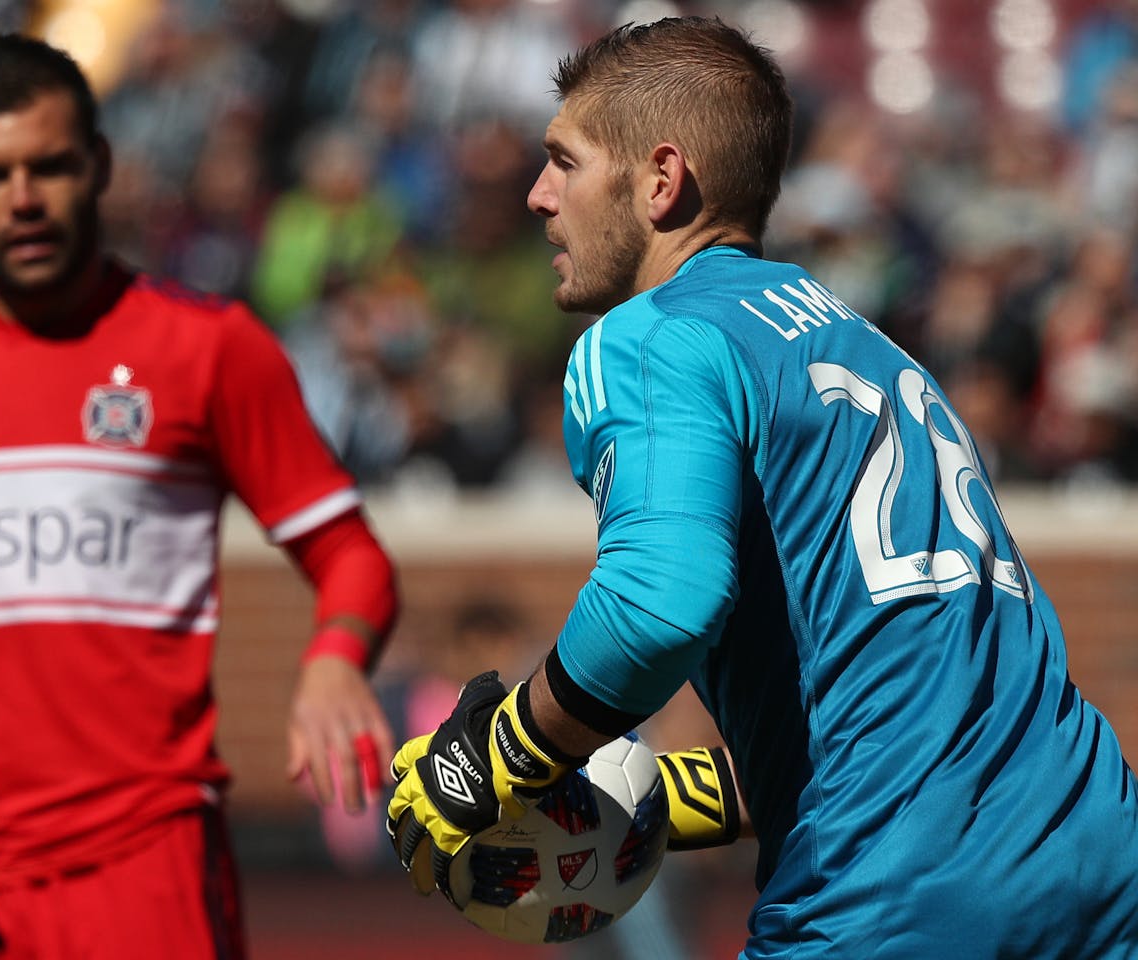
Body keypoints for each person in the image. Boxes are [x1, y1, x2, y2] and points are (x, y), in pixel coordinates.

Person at [387, 17, 1138, 958]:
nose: (538, 195)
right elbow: (898, 701)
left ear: (659, 181)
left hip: (896, 891)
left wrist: (492, 758)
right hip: (1099, 855)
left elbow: (657, 607)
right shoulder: (866, 341)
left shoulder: (652, 336)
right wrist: (663, 796)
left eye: (564, 161)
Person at [0, 32, 398, 960]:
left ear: (100, 163)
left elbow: (349, 552)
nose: (24, 199)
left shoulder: (208, 348)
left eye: (50, 165)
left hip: (146, 862)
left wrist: (334, 657)